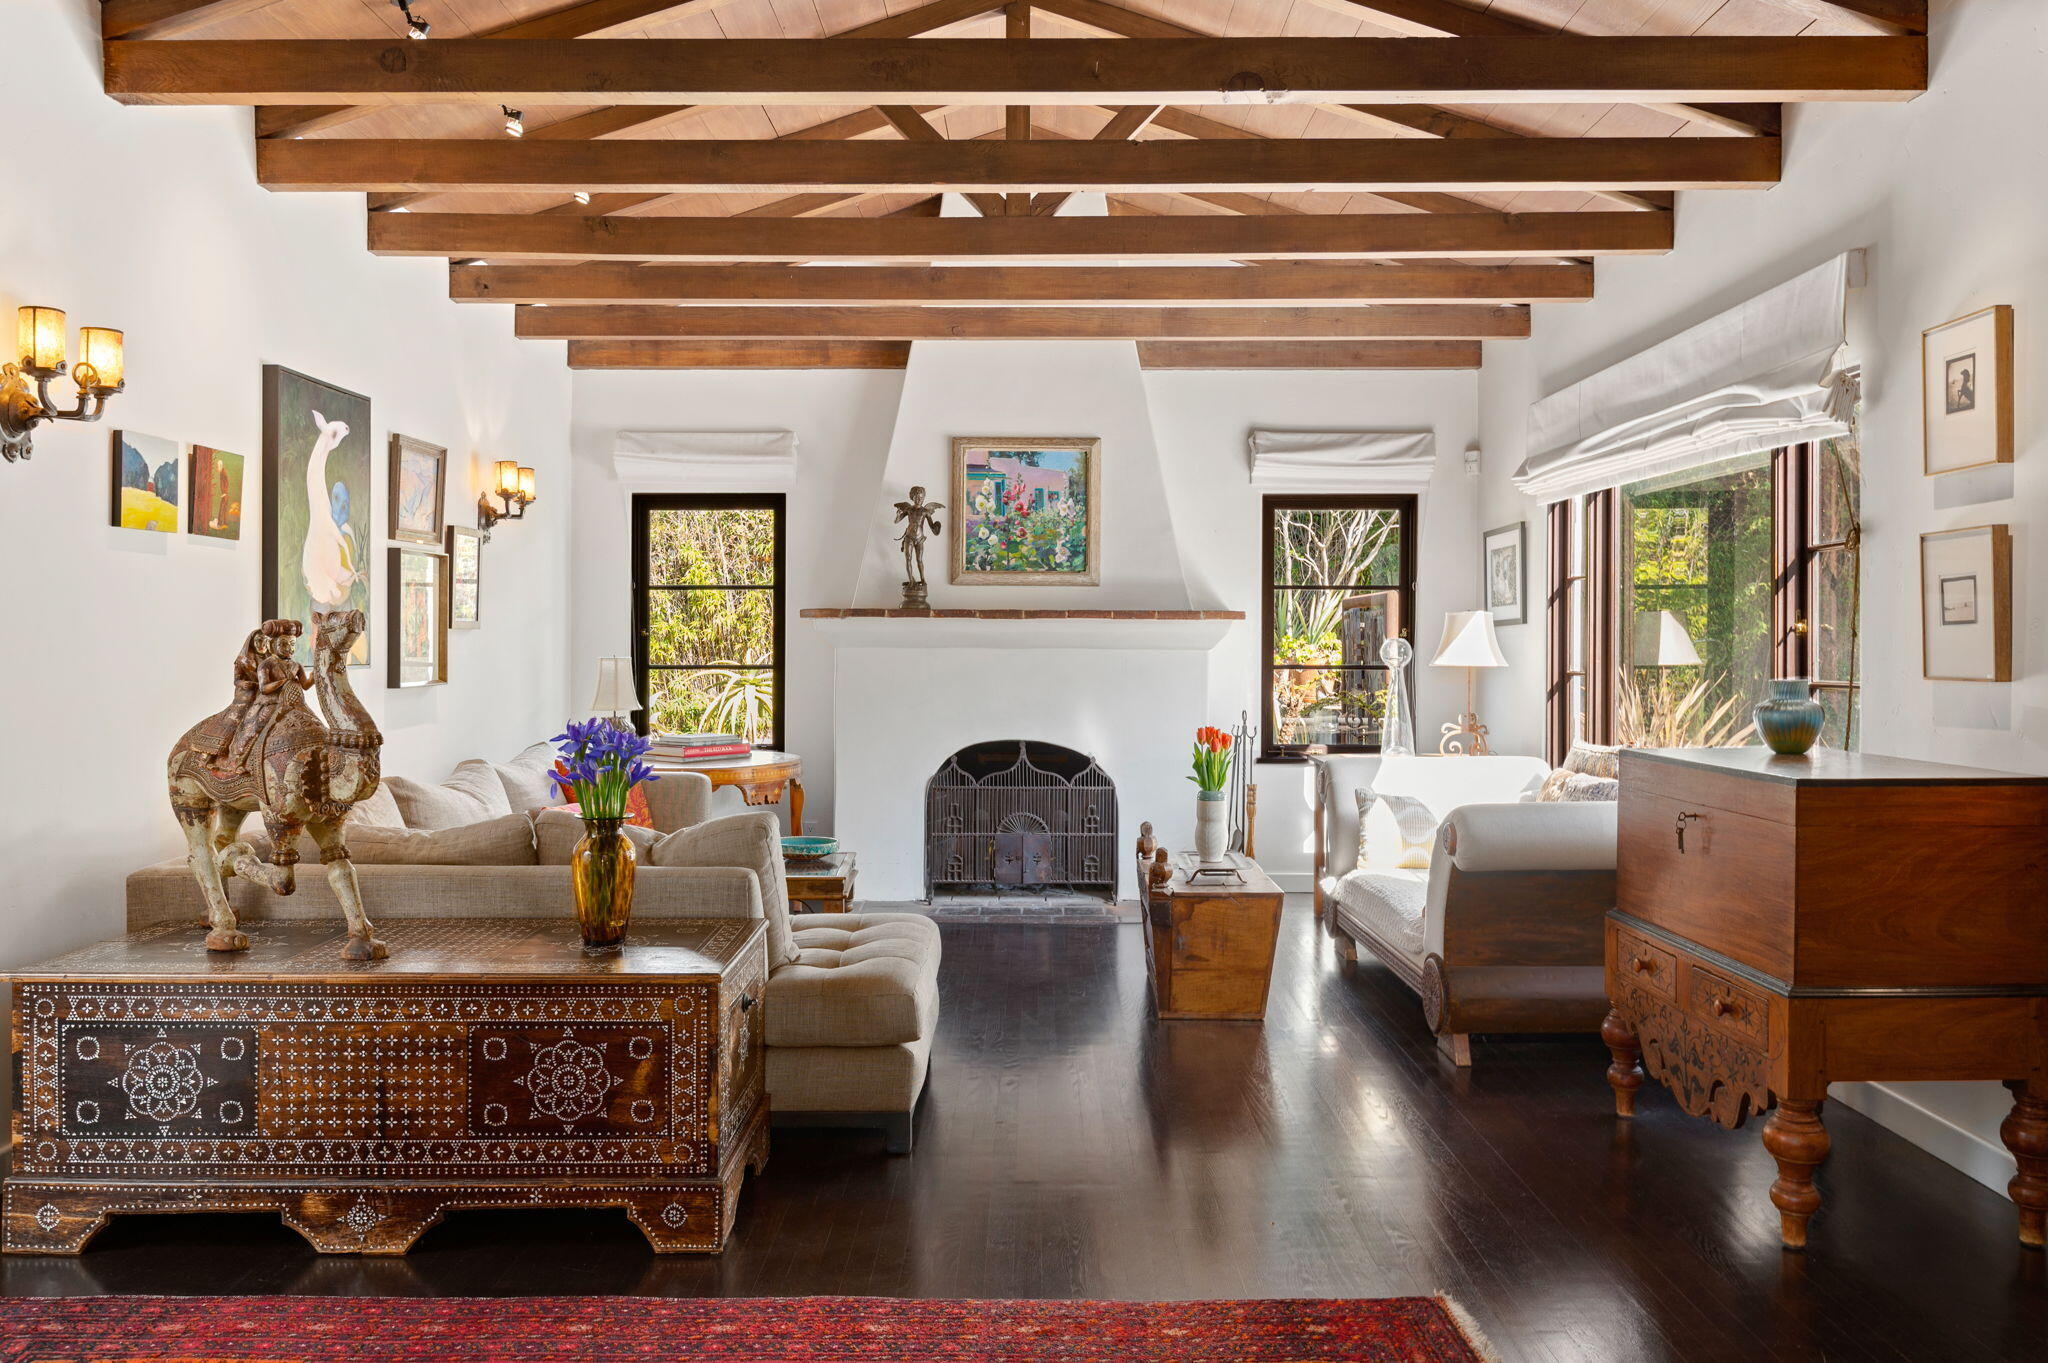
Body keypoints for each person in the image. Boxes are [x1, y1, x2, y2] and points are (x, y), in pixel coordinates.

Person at [226, 620, 313, 775]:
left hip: (294, 702)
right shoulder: (266, 665)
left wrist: (315, 677)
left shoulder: (296, 665)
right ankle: (237, 760)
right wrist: (283, 682)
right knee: (254, 728)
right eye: (284, 644)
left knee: (313, 722)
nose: (290, 649)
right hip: (269, 703)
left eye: (292, 644)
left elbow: (305, 685)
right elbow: (264, 688)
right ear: (273, 645)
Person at [893, 486, 945, 588]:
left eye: (921, 498)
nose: (919, 500)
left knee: (919, 560)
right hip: (909, 537)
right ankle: (911, 580)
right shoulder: (908, 509)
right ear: (912, 497)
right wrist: (898, 515)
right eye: (916, 498)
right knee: (908, 559)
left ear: (924, 498)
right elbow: (896, 521)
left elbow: (932, 526)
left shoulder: (925, 511)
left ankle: (922, 579)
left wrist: (937, 527)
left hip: (920, 538)